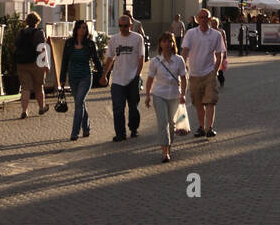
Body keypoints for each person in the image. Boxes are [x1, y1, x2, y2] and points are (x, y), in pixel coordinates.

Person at [181, 8, 227, 138]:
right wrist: (182, 65)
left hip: (209, 72)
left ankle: (209, 128)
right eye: (201, 17)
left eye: (206, 17)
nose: (203, 19)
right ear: (197, 19)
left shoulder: (216, 35)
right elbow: (184, 51)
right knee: (198, 103)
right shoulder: (190, 33)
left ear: (210, 19)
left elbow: (219, 55)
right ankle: (201, 127)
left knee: (210, 101)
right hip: (194, 73)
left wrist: (215, 71)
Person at [144, 32, 188, 163]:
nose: (167, 44)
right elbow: (150, 80)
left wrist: (183, 94)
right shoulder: (155, 61)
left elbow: (184, 78)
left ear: (173, 43)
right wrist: (147, 95)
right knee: (163, 123)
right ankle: (165, 152)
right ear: (160, 44)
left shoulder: (179, 59)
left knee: (172, 123)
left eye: (170, 41)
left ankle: (169, 146)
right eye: (164, 41)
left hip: (174, 94)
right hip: (159, 94)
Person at [103, 13, 146, 141]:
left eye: (125, 26)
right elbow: (110, 58)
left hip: (133, 77)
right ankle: (120, 133)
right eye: (120, 26)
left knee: (133, 107)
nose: (123, 28)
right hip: (117, 79)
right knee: (118, 108)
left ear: (131, 26)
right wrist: (104, 75)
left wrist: (137, 75)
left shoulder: (137, 38)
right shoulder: (114, 39)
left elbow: (141, 58)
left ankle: (133, 128)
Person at [59, 20, 103, 141]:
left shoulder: (89, 44)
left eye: (85, 28)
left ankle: (74, 132)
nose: (83, 30)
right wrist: (62, 79)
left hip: (86, 76)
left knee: (79, 102)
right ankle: (87, 128)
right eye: (81, 28)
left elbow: (96, 60)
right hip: (73, 77)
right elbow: (64, 62)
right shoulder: (69, 43)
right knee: (80, 103)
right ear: (76, 29)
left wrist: (102, 75)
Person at [14, 11, 49, 119]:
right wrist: (45, 63)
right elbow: (41, 49)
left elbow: (15, 47)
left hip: (22, 64)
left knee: (25, 88)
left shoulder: (20, 32)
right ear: (37, 22)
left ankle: (24, 111)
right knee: (38, 87)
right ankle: (41, 107)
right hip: (35, 63)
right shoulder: (39, 33)